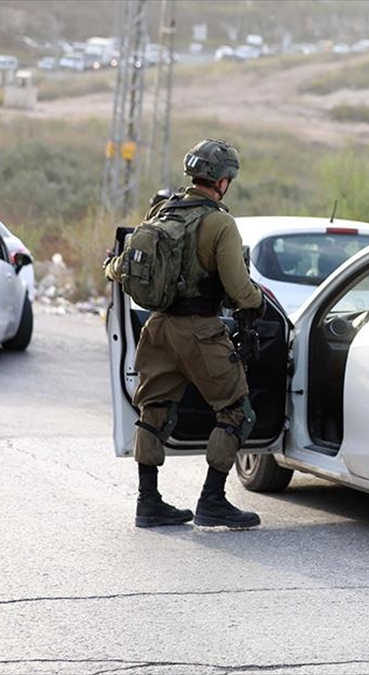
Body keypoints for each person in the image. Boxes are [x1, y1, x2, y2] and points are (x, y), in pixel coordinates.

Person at [105, 139, 265, 529]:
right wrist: (258, 301)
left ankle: (149, 502)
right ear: (223, 181)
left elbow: (123, 267)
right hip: (199, 331)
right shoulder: (220, 223)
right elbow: (240, 290)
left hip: (157, 328)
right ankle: (213, 500)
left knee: (153, 411)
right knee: (236, 412)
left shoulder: (162, 212)